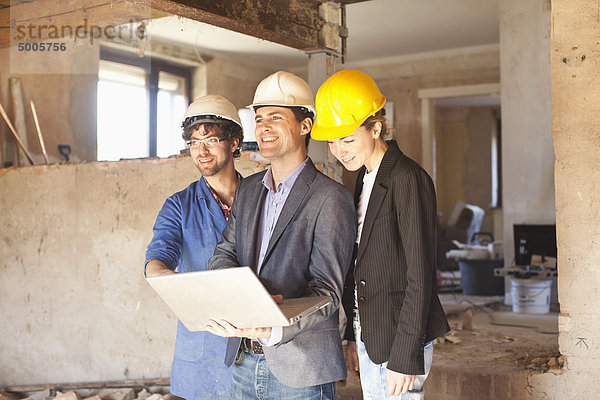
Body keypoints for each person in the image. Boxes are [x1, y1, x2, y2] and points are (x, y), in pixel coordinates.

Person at [206, 71, 357, 400]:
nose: (263, 127)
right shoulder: (247, 190)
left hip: (300, 370)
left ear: (306, 126)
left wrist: (273, 327)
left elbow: (328, 292)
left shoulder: (330, 198)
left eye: (275, 117)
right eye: (259, 119)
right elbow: (223, 255)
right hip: (244, 361)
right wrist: (235, 293)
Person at [311, 69, 450, 399]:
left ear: (375, 128)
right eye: (332, 141)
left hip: (398, 338)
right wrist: (351, 336)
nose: (339, 151)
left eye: (348, 139)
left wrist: (405, 356)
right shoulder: (366, 176)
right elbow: (362, 261)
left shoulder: (406, 178)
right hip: (372, 331)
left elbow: (420, 275)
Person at [145, 94, 244, 400]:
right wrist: (166, 278)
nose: (201, 150)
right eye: (193, 142)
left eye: (211, 139)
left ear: (234, 143)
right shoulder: (178, 205)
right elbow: (158, 256)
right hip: (203, 350)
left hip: (252, 344)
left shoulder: (260, 196)